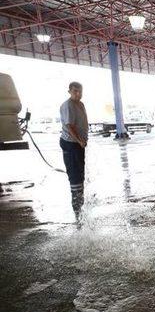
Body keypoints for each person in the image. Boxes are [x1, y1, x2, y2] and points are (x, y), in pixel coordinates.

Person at [59, 81, 88, 217]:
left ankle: (80, 206)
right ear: (69, 91)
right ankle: (77, 212)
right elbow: (70, 126)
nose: (78, 94)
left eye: (80, 91)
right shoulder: (68, 105)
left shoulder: (80, 104)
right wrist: (79, 140)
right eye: (75, 91)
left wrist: (82, 141)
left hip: (78, 145)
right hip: (71, 144)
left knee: (80, 175)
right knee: (75, 177)